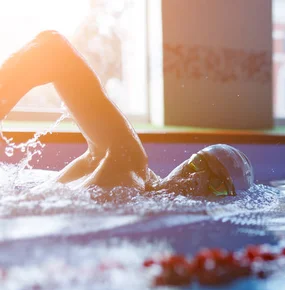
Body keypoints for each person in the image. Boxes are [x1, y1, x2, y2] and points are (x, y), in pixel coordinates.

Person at [0, 30, 254, 197]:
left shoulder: (144, 201)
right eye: (199, 163)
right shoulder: (126, 161)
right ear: (186, 160)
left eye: (216, 185)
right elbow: (52, 48)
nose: (196, 177)